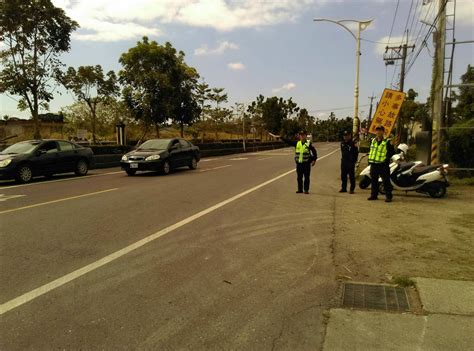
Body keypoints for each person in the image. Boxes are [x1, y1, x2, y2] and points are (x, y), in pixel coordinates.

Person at [368, 125, 395, 202]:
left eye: (380, 130)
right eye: (377, 130)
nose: (378, 132)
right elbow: (371, 152)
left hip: (383, 165)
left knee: (386, 181)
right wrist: (369, 162)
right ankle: (374, 195)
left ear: (383, 132)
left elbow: (392, 152)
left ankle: (388, 196)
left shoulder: (387, 142)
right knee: (374, 181)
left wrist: (387, 158)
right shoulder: (373, 141)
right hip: (374, 164)